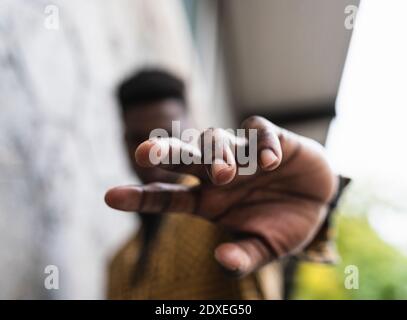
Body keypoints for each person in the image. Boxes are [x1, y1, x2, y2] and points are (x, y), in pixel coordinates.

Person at [106, 69, 349, 299]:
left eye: (165, 135)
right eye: (136, 139)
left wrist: (301, 199)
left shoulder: (227, 209)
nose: (152, 152)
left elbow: (281, 234)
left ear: (191, 128)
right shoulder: (118, 264)